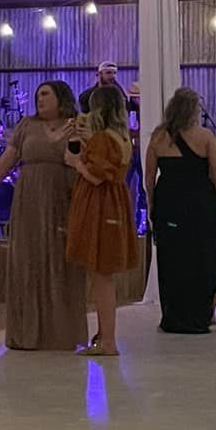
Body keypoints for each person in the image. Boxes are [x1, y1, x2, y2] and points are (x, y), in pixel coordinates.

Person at [0, 83, 88, 351]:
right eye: (38, 95)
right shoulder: (27, 126)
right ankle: (26, 332)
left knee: (59, 260)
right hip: (29, 199)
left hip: (62, 197)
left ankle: (59, 332)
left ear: (60, 98)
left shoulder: (75, 126)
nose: (40, 99)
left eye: (45, 94)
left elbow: (79, 157)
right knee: (28, 258)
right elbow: (9, 157)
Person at [146, 89, 216, 334]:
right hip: (199, 203)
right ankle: (199, 314)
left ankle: (173, 315)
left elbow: (149, 176)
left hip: (169, 202)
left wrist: (152, 204)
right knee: (201, 257)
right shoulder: (205, 137)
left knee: (172, 259)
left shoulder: (159, 137)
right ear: (192, 110)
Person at [65, 82, 135, 356]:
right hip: (114, 202)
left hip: (99, 205)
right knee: (104, 277)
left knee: (101, 277)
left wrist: (76, 163)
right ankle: (105, 336)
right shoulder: (122, 137)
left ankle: (108, 341)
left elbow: (96, 175)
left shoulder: (104, 138)